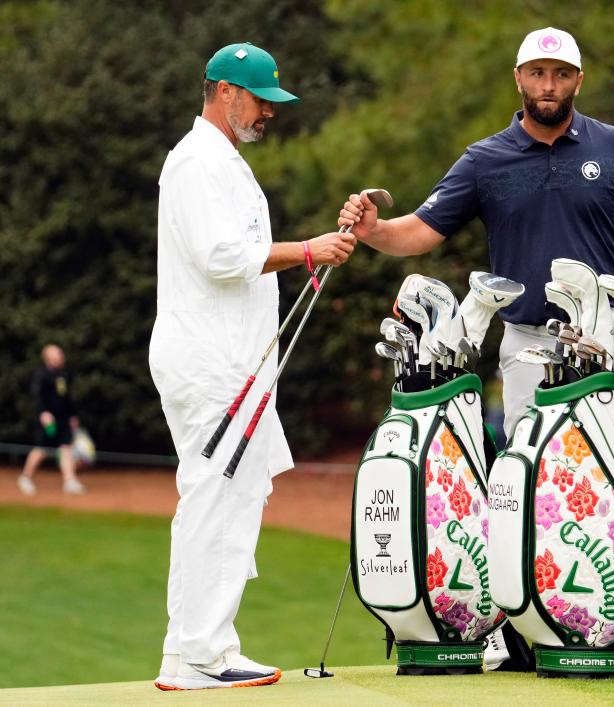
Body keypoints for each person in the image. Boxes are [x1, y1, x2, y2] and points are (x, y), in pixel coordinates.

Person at [339, 27, 614, 669]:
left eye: (561, 74)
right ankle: (524, 629)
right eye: (537, 74)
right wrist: (375, 230)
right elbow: (420, 231)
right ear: (519, 79)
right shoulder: (485, 159)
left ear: (578, 80)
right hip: (527, 342)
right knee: (521, 484)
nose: (549, 86)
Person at [148, 42, 356, 691]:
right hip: (209, 360)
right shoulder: (196, 163)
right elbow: (219, 257)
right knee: (216, 496)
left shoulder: (222, 163)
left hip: (231, 361)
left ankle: (192, 650)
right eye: (260, 99)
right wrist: (306, 250)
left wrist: (308, 253)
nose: (269, 111)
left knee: (226, 496)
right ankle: (203, 653)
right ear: (223, 91)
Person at [18, 344, 85, 496]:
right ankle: (26, 477)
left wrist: (72, 415)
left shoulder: (64, 374)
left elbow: (66, 398)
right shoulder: (41, 375)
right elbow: (36, 396)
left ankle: (69, 481)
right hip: (47, 419)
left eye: (61, 353)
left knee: (66, 448)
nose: (61, 356)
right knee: (42, 449)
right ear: (48, 357)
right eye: (57, 354)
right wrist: (43, 413)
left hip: (63, 418)